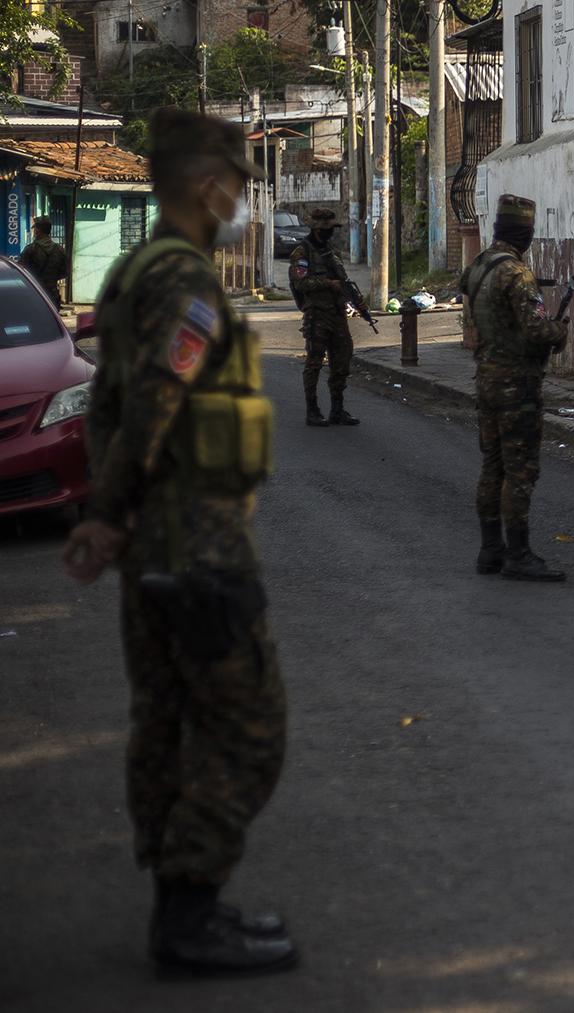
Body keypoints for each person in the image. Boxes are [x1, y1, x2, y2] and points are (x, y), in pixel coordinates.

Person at [59, 108, 296, 977]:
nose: (240, 199)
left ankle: (178, 905)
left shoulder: (129, 273)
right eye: (237, 184)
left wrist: (107, 514)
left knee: (165, 721)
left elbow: (107, 406)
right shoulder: (189, 283)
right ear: (209, 186)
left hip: (151, 549)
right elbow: (158, 398)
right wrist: (106, 512)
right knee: (248, 727)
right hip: (199, 547)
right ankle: (191, 906)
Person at [461, 193, 570, 581]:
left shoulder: (478, 266)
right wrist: (560, 332)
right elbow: (536, 329)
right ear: (525, 233)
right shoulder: (516, 273)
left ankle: (490, 550)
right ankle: (518, 554)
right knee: (519, 470)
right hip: (516, 384)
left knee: (492, 467)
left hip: (486, 379)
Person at [288, 206, 359, 427]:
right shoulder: (302, 252)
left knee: (342, 359)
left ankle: (337, 409)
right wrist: (327, 284)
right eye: (327, 228)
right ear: (318, 229)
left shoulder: (332, 252)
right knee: (314, 363)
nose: (331, 232)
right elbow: (300, 283)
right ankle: (313, 410)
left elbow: (344, 282)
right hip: (317, 314)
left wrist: (356, 300)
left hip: (337, 315)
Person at [19, 213, 71, 306]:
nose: (34, 232)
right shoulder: (59, 250)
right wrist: (51, 278)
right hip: (52, 295)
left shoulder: (30, 249)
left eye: (35, 229)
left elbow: (20, 271)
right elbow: (65, 272)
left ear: (38, 231)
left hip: (34, 293)